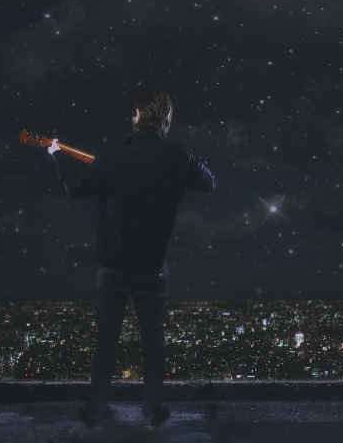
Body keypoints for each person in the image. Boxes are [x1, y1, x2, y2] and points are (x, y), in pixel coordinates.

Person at [47, 89, 216, 430]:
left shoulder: (110, 159)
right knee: (153, 346)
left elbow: (75, 189)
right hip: (151, 269)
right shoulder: (178, 156)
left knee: (106, 342)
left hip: (112, 267)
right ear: (165, 120)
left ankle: (94, 412)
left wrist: (55, 155)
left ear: (137, 116)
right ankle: (153, 414)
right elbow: (208, 182)